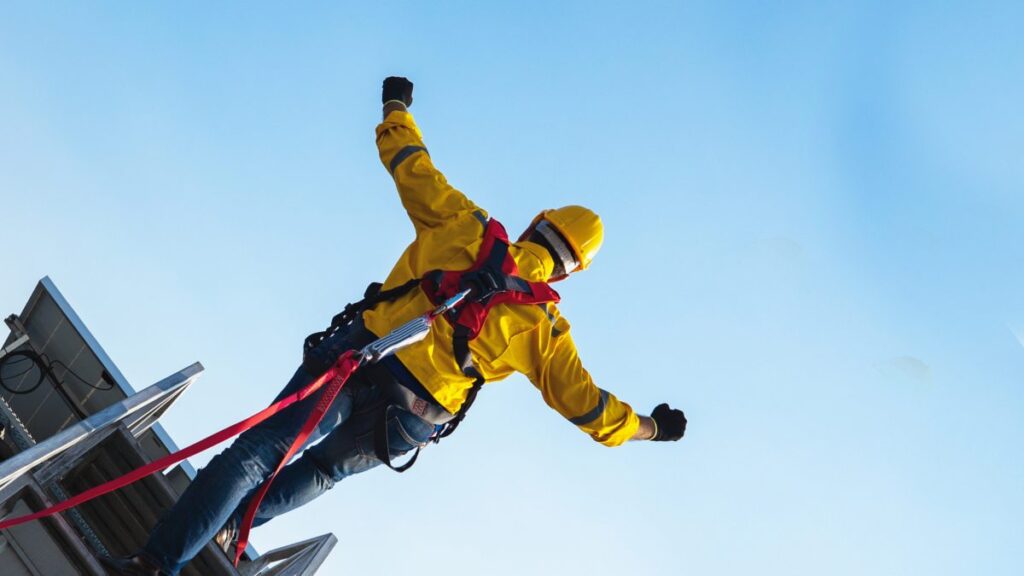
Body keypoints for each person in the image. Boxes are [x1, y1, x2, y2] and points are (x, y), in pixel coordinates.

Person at [101, 77, 687, 576]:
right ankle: (229, 529)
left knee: (258, 453)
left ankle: (158, 563)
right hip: (415, 412)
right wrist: (651, 429)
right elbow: (591, 410)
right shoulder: (546, 328)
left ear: (537, 224)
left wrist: (395, 107)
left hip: (364, 355)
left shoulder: (466, 223)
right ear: (572, 269)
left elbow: (409, 163)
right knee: (325, 471)